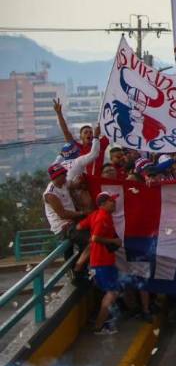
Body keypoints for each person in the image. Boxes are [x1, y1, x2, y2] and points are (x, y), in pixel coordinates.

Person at [77, 191, 123, 334]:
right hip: (102, 262)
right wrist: (113, 241)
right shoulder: (102, 217)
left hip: (102, 262)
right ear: (103, 204)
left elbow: (79, 227)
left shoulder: (96, 214)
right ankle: (99, 326)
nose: (114, 203)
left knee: (113, 291)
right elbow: (96, 238)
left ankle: (102, 320)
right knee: (112, 292)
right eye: (111, 201)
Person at [53, 98, 109, 175]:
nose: (89, 134)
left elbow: (111, 132)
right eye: (85, 132)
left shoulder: (100, 144)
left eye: (91, 132)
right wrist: (59, 113)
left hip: (98, 179)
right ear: (80, 137)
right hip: (83, 180)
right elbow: (66, 132)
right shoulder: (76, 148)